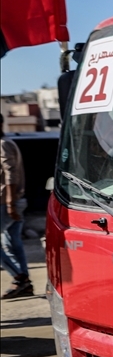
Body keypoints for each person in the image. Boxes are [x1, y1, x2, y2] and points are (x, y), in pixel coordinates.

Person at [1, 116, 33, 298]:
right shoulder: (8, 142)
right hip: (12, 201)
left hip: (6, 202)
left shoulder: (3, 144)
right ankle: (24, 283)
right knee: (12, 243)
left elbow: (10, 174)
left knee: (11, 243)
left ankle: (20, 278)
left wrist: (10, 203)